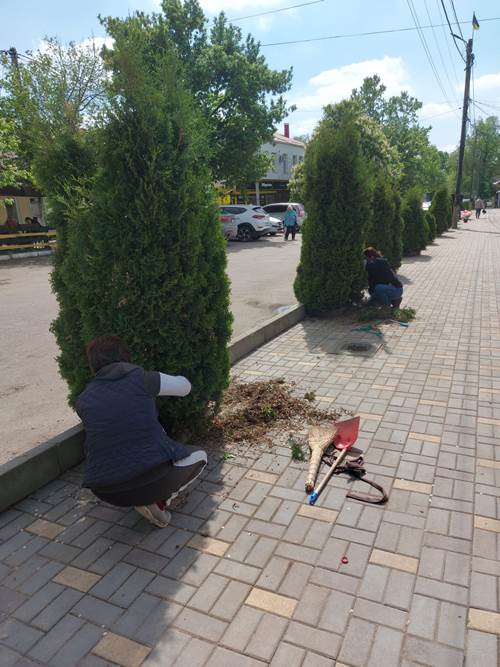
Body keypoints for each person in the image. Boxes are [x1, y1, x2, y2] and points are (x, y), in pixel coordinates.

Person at [75, 335, 207, 528]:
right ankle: (160, 502)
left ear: (93, 365)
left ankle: (147, 500)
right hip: (150, 479)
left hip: (105, 490)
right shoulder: (143, 379)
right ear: (125, 356)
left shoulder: (84, 400)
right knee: (201, 456)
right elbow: (185, 387)